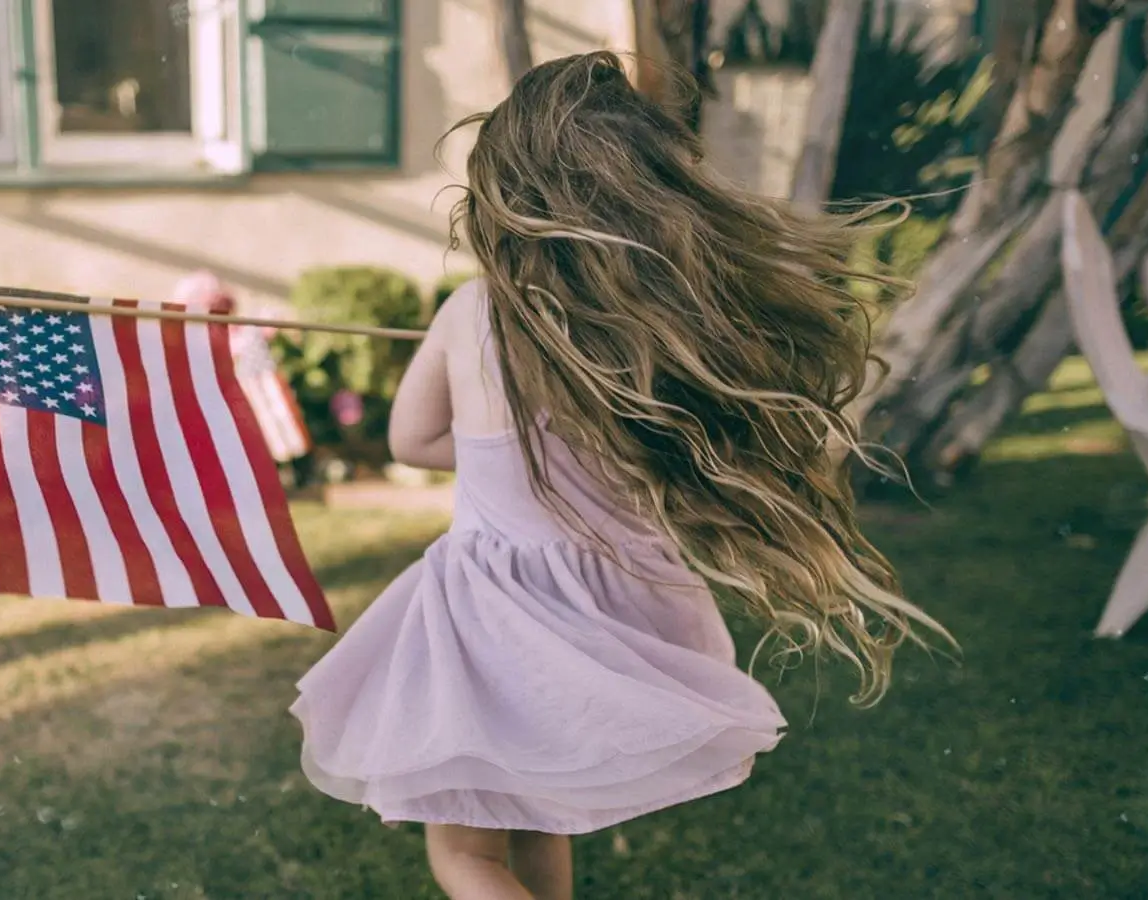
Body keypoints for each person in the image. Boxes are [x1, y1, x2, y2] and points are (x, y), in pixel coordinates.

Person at [288, 52, 952, 900]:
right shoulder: (640, 329)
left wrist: (487, 446)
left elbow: (412, 441)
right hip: (613, 610)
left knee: (467, 855)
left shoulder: (473, 309)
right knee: (541, 818)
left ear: (504, 197)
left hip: (498, 614)